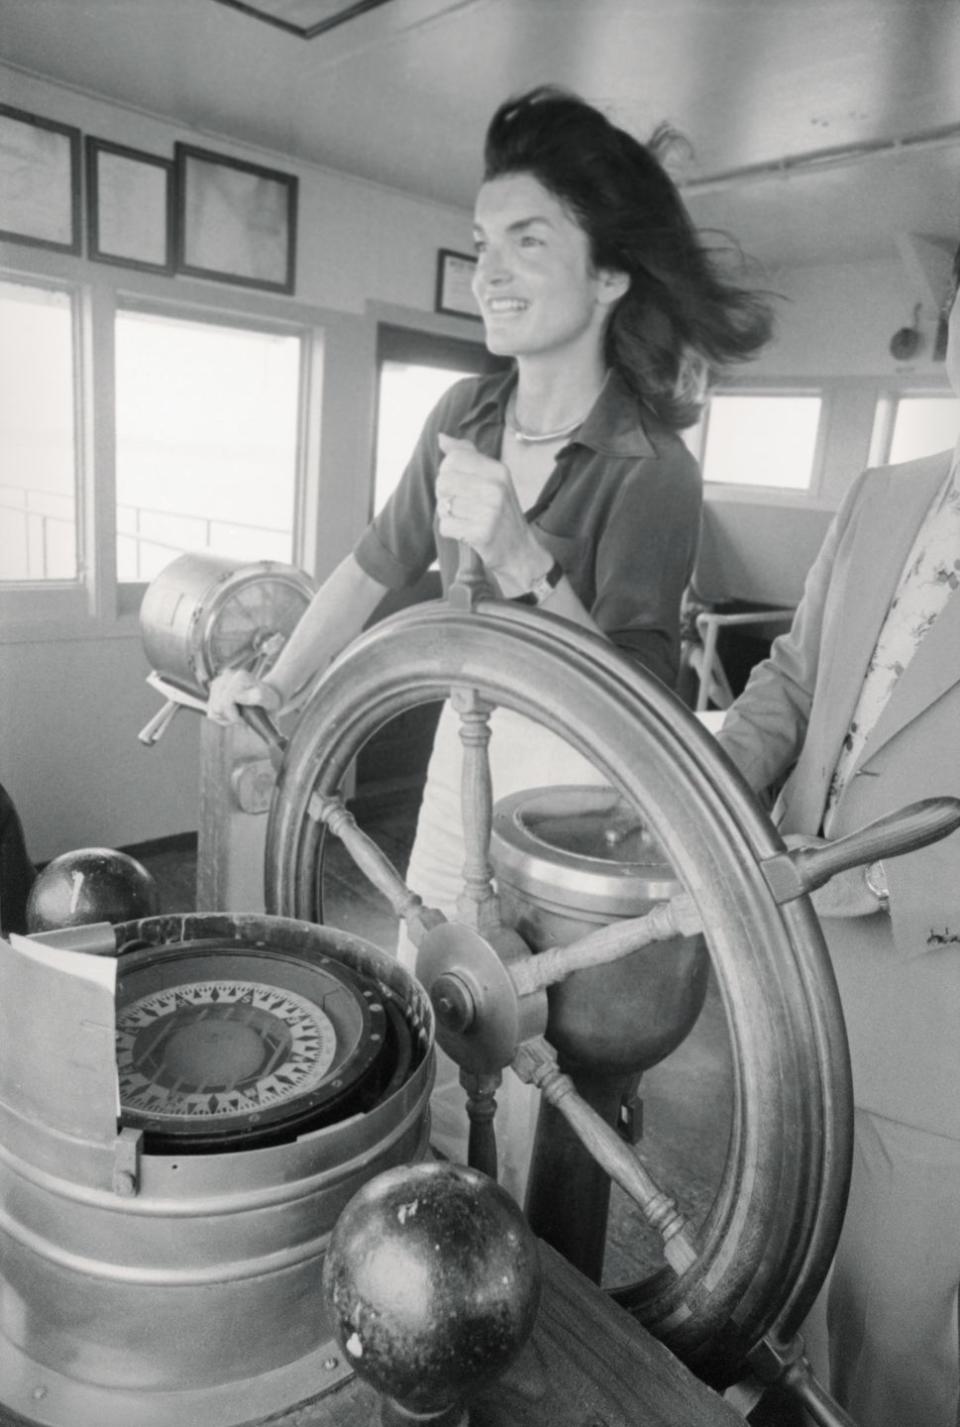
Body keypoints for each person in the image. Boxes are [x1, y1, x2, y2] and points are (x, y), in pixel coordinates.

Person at [209, 85, 773, 1197]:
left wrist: (521, 557)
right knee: (431, 1003)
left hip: (574, 815)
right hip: (457, 780)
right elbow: (371, 568)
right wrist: (276, 686)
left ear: (610, 273)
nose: (489, 273)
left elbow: (643, 711)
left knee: (533, 1069)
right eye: (479, 245)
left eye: (527, 240)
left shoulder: (652, 465)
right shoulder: (463, 414)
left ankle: (530, 1284)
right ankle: (426, 1231)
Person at [716, 245, 960, 1427]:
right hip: (799, 976)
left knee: (899, 1324)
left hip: (939, 1006)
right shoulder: (884, 492)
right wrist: (707, 777)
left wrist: (902, 887)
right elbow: (797, 677)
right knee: (789, 1261)